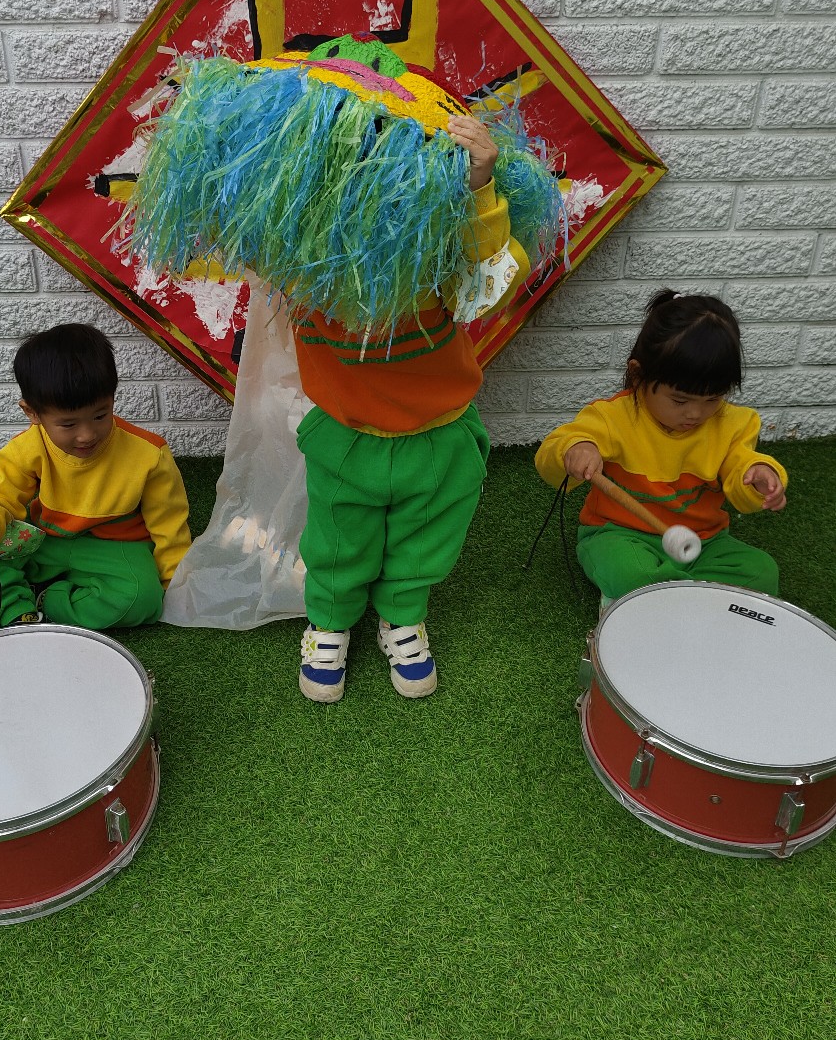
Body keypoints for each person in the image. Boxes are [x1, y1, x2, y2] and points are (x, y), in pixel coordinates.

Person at [293, 107, 511, 704]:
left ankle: (403, 615)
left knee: (427, 538)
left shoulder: (435, 250)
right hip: (348, 436)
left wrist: (479, 183)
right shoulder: (303, 257)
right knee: (338, 538)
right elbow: (242, 221)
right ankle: (329, 622)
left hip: (438, 434)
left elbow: (486, 278)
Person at [534, 289, 787, 608]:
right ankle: (676, 596)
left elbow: (741, 470)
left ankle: (664, 595)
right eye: (680, 400)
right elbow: (552, 453)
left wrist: (757, 475)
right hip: (620, 535)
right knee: (631, 572)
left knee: (761, 572)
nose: (695, 414)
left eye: (712, 399)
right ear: (638, 375)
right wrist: (577, 447)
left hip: (702, 543)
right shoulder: (614, 417)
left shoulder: (734, 424)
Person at [0, 323, 191, 633]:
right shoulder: (28, 447)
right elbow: (1, 494)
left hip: (116, 549)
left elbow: (169, 525)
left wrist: (174, 583)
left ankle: (44, 603)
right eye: (68, 424)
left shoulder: (149, 454)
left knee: (142, 599)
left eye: (100, 415)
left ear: (112, 399)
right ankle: (15, 612)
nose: (87, 435)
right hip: (45, 541)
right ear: (33, 413)